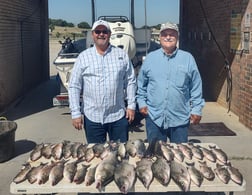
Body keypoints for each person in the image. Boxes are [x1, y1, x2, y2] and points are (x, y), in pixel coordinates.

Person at [68, 20, 136, 143]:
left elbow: (131, 81)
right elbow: (74, 86)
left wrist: (131, 106)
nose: (101, 34)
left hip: (118, 116)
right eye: (98, 31)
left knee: (119, 156)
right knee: (97, 156)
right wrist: (75, 113)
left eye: (104, 31)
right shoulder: (83, 57)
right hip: (92, 117)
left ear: (109, 34)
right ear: (92, 34)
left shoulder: (122, 55)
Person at [136, 22, 205, 144]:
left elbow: (196, 87)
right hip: (154, 118)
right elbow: (141, 85)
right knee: (156, 157)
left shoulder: (188, 58)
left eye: (172, 34)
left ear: (177, 37)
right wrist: (141, 103)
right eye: (165, 34)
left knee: (179, 158)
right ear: (160, 37)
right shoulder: (151, 58)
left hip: (179, 119)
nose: (168, 37)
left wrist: (196, 110)